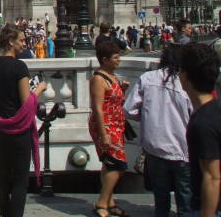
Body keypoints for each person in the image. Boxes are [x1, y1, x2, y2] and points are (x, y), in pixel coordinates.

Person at [124, 45, 193, 217]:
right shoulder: (186, 82)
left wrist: (150, 117)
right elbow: (194, 114)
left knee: (160, 199)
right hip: (182, 149)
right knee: (185, 199)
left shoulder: (148, 78)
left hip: (154, 148)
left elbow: (129, 110)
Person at [0, 24, 47, 217]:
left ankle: (2, 212)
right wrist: (39, 90)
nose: (24, 44)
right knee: (20, 180)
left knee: (3, 175)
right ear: (11, 42)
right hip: (19, 131)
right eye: (21, 40)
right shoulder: (20, 67)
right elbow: (26, 102)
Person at [178, 42, 221, 217]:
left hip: (209, 208)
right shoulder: (216, 109)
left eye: (179, 70)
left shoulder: (201, 123)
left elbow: (212, 177)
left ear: (186, 77)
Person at [89, 41, 130, 217]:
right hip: (105, 125)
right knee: (118, 165)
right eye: (115, 57)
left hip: (117, 124)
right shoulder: (98, 78)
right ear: (105, 60)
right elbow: (98, 107)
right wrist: (104, 133)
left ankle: (109, 202)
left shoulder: (112, 76)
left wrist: (122, 89)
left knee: (109, 164)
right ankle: (101, 203)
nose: (119, 60)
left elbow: (112, 100)